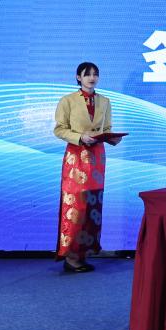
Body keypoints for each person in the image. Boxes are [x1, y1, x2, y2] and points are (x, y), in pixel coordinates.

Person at [53, 62, 121, 274]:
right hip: (76, 156)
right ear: (78, 77)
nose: (92, 78)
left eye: (95, 74)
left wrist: (112, 138)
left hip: (97, 158)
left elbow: (106, 128)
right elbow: (59, 129)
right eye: (87, 74)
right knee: (76, 206)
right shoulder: (68, 100)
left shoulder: (105, 101)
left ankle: (83, 254)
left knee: (93, 205)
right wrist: (80, 137)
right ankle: (71, 256)